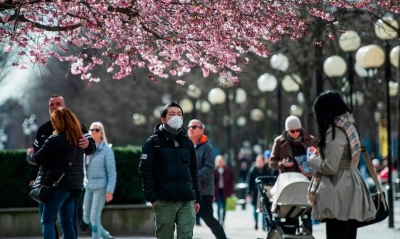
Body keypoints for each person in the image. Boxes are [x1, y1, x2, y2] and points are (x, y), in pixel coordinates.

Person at [307, 91, 376, 239]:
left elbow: (330, 167)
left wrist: (311, 158)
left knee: (336, 232)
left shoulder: (335, 132)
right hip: (352, 184)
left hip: (339, 189)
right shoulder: (349, 127)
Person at [29, 95, 96, 239]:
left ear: (65, 106)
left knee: (48, 219)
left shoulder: (76, 130)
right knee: (66, 221)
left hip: (54, 183)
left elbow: (37, 157)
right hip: (72, 183)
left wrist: (89, 144)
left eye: (58, 103)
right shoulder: (43, 130)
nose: (54, 107)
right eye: (51, 104)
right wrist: (34, 178)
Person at [139, 102, 201, 239]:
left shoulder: (187, 142)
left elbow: (193, 171)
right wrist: (152, 198)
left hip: (187, 199)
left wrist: (196, 197)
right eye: (172, 114)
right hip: (164, 200)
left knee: (186, 236)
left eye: (179, 114)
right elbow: (145, 171)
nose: (176, 117)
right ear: (163, 119)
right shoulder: (153, 142)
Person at [269, 115, 315, 233]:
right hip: (288, 181)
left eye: (298, 130)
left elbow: (318, 158)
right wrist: (282, 164)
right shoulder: (279, 142)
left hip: (306, 180)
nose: (295, 133)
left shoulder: (310, 140)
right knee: (290, 214)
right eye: (292, 131)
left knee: (306, 213)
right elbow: (272, 162)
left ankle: (307, 231)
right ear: (287, 130)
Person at [188, 119, 228, 239]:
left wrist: (194, 178)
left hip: (203, 191)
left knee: (207, 217)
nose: (191, 129)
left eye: (194, 127)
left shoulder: (207, 147)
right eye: (189, 127)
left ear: (201, 130)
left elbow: (209, 167)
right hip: (187, 189)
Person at [83, 122, 117, 239]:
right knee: (86, 218)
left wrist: (109, 191)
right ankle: (106, 237)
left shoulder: (107, 150)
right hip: (88, 186)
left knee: (94, 217)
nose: (93, 132)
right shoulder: (85, 150)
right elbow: (84, 169)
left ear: (102, 134)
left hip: (101, 186)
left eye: (97, 130)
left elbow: (112, 172)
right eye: (92, 129)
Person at [247, 154, 275, 231]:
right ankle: (256, 222)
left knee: (264, 209)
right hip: (255, 193)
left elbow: (270, 180)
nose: (259, 162)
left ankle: (264, 225)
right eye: (258, 161)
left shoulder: (267, 170)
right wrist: (249, 192)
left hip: (264, 192)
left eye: (260, 161)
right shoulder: (253, 170)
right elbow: (250, 182)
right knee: (255, 210)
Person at [213, 155, 234, 225]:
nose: (220, 163)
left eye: (222, 161)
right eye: (219, 161)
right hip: (218, 191)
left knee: (225, 207)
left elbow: (231, 182)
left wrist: (232, 191)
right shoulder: (214, 170)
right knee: (219, 206)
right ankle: (219, 220)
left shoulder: (228, 170)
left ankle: (223, 220)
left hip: (226, 191)